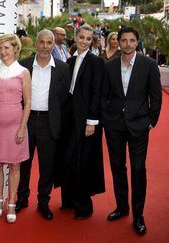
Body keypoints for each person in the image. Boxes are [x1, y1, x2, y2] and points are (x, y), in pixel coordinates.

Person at [102, 27, 162, 235]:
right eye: (124, 40)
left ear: (137, 42)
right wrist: (107, 119)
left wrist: (150, 121)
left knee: (138, 169)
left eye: (132, 40)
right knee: (117, 167)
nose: (127, 44)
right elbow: (104, 95)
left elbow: (155, 97)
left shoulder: (149, 65)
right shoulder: (109, 67)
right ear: (118, 42)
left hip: (139, 125)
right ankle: (121, 207)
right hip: (114, 125)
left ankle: (138, 215)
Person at [16, 29, 71, 220]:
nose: (45, 47)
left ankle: (43, 202)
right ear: (36, 43)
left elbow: (63, 99)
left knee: (47, 166)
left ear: (54, 44)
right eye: (42, 42)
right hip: (27, 121)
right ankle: (22, 199)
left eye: (50, 43)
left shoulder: (63, 68)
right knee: (24, 164)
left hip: (49, 123)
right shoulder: (23, 66)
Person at [59, 24, 105, 219]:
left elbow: (97, 93)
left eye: (88, 39)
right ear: (75, 38)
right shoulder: (70, 61)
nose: (84, 41)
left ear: (91, 41)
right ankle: (68, 200)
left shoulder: (96, 62)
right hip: (69, 118)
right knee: (67, 159)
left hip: (86, 120)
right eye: (81, 37)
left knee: (82, 162)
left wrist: (91, 121)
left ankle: (83, 207)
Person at [0, 34, 31, 223]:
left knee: (14, 165)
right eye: (0, 48)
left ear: (15, 49)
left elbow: (28, 102)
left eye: (6, 48)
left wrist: (22, 127)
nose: (3, 52)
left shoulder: (23, 72)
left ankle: (11, 202)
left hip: (15, 126)